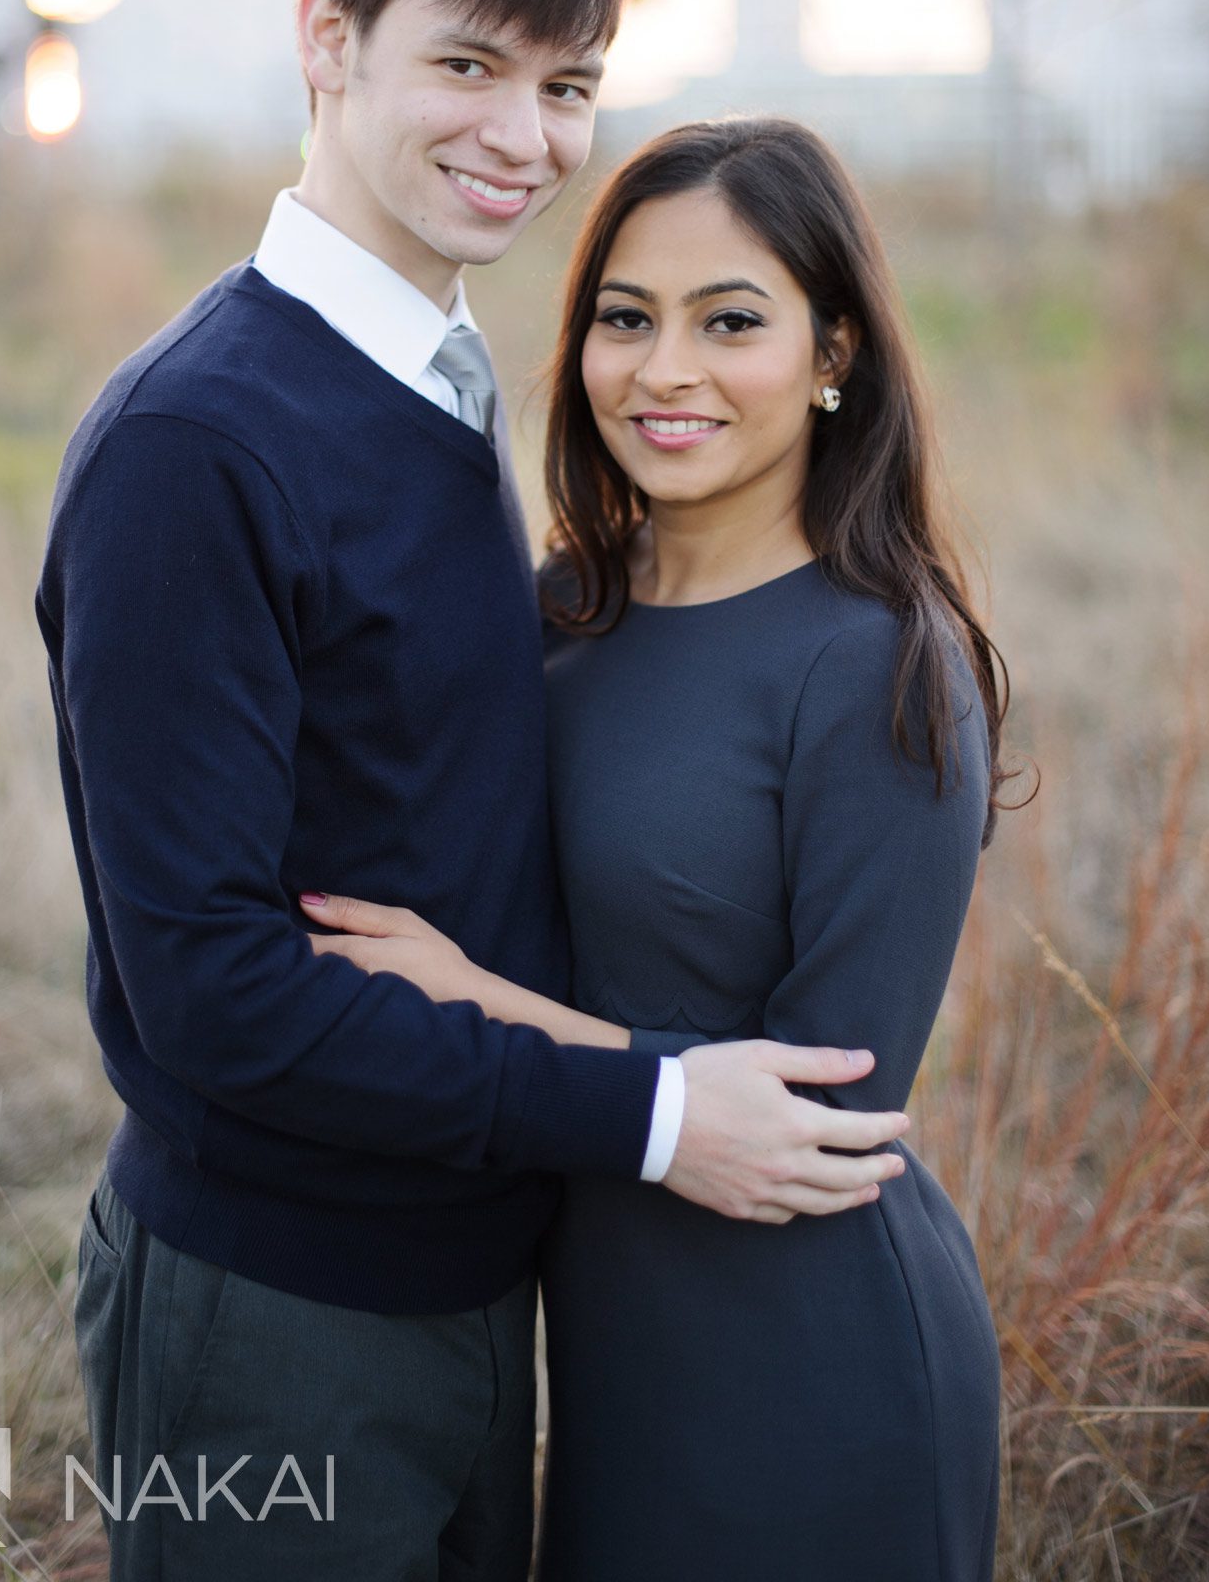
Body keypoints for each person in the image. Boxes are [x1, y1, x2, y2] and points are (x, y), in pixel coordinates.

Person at [36, 0, 910, 1581]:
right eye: (467, 64)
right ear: (328, 37)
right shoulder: (194, 448)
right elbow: (210, 991)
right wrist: (657, 1112)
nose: (524, 138)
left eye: (566, 82)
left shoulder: (430, 376)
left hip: (471, 1283)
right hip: (274, 1316)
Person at [303, 115, 1011, 1580]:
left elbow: (822, 1112)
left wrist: (477, 1004)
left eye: (731, 321)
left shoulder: (882, 666)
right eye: (627, 319)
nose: (666, 370)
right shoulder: (558, 613)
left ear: (836, 356)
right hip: (602, 1347)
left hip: (808, 1361)